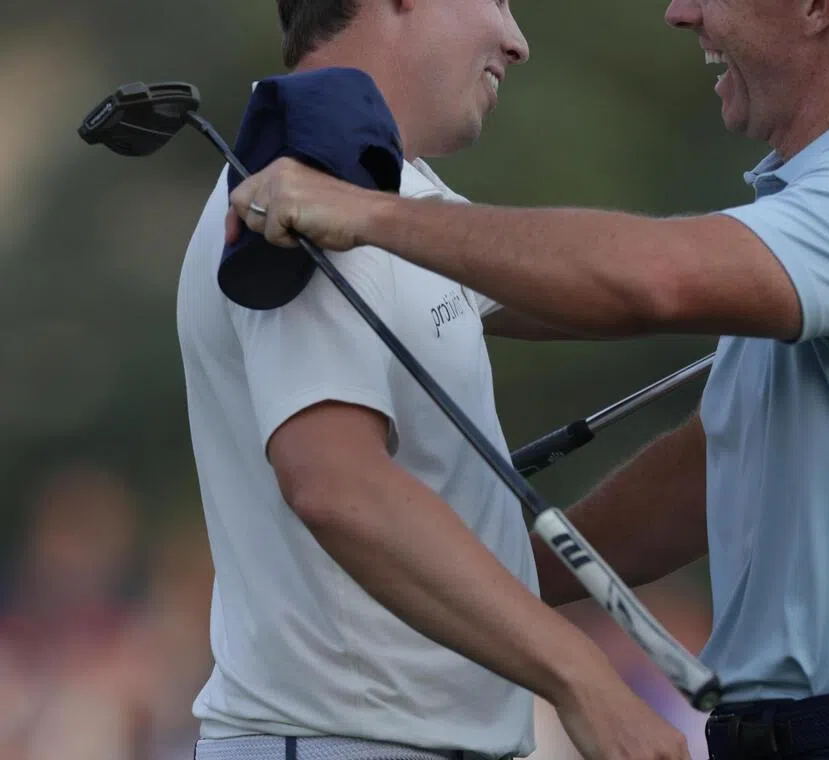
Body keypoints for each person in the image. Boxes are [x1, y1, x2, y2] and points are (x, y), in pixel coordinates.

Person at [226, 2, 829, 757]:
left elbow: (646, 280)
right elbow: (704, 477)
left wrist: (370, 214)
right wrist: (479, 589)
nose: (683, 11)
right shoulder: (822, 209)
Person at [175, 2, 693, 760]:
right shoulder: (310, 167)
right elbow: (335, 486)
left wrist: (780, 283)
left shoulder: (389, 188)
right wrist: (582, 675)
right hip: (346, 743)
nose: (516, 41)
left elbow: (596, 289)